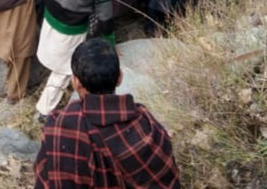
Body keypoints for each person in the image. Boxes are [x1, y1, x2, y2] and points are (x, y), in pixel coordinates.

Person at [34, 39, 181, 188]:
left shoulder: (60, 126)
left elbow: (45, 179)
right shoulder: (145, 124)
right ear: (120, 77)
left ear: (75, 82)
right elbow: (165, 178)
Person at [30, 0, 118, 119]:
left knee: (50, 48)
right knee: (64, 68)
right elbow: (104, 18)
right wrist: (110, 45)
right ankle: (43, 111)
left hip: (50, 13)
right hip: (71, 27)